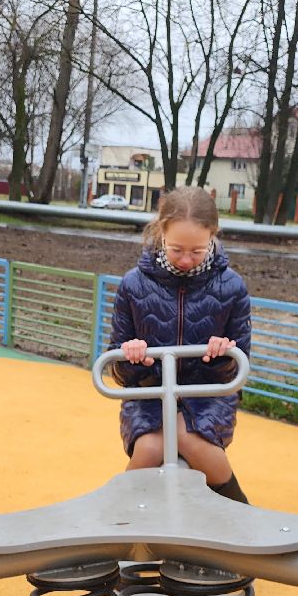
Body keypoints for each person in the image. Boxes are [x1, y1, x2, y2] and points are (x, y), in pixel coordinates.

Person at [109, 186, 252, 503]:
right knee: (148, 449)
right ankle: (117, 518)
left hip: (207, 395)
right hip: (150, 392)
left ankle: (242, 515)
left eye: (197, 251)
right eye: (176, 250)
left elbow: (238, 366)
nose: (186, 260)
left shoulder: (232, 287)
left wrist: (221, 354)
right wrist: (132, 357)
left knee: (193, 441)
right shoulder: (134, 284)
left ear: (213, 236)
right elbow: (118, 369)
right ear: (161, 232)